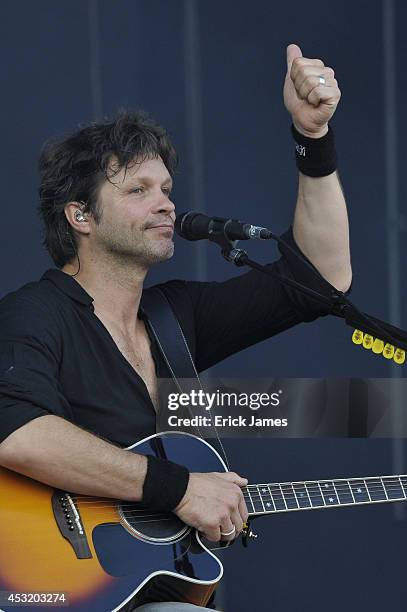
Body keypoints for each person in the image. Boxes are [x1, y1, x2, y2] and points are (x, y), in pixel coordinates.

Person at [0, 44, 351, 611]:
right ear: (80, 215)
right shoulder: (33, 315)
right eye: (138, 190)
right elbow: (19, 434)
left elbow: (324, 279)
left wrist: (313, 138)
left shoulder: (172, 317)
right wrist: (181, 488)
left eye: (166, 189)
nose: (165, 205)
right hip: (54, 588)